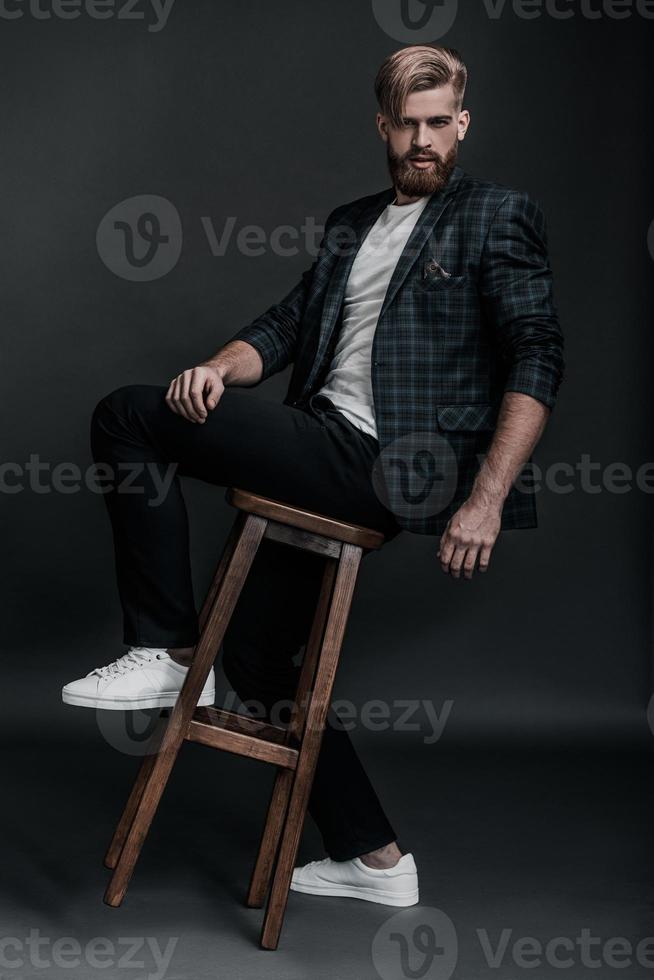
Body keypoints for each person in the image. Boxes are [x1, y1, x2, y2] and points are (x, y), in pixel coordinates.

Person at [62, 44, 564, 908]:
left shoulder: (494, 216)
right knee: (258, 666)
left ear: (462, 124)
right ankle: (377, 857)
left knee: (125, 417)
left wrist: (484, 499)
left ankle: (166, 647)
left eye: (439, 124)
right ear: (382, 125)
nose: (422, 141)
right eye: (406, 124)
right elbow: (284, 327)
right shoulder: (350, 224)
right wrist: (220, 367)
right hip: (320, 441)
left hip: (393, 465)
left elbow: (537, 356)